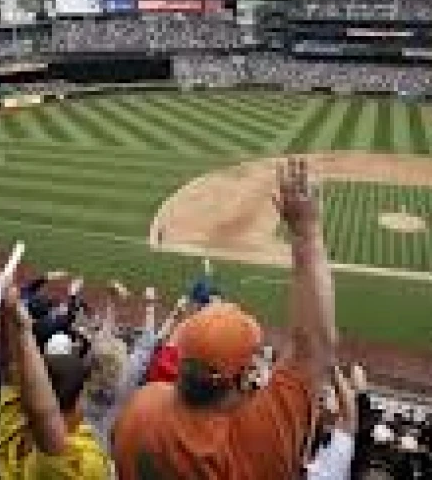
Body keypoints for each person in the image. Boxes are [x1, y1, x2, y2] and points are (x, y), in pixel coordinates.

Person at [112, 158, 337, 480]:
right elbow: (312, 347)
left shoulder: (142, 407)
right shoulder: (257, 443)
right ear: (242, 379)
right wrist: (307, 234)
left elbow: (312, 350)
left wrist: (306, 236)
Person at [0, 283, 112, 479]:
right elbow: (45, 417)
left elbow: (10, 365)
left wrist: (8, 313)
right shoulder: (65, 463)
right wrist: (22, 327)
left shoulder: (14, 424)